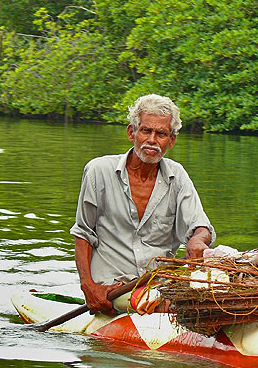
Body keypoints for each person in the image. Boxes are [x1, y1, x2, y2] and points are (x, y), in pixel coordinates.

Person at [70, 94, 215, 316]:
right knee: (169, 306)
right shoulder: (98, 171)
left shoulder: (178, 176)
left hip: (160, 284)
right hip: (114, 289)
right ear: (132, 133)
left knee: (213, 296)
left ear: (171, 141)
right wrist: (89, 288)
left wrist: (197, 239)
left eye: (161, 134)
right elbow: (83, 234)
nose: (152, 140)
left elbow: (200, 226)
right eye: (146, 131)